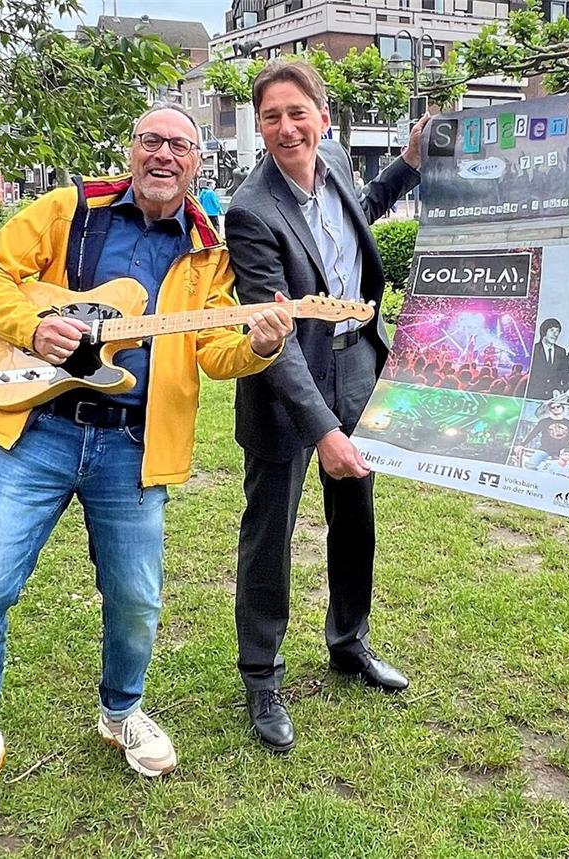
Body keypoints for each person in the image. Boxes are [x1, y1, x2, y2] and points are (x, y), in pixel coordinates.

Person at [0, 104, 293, 853]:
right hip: (38, 432)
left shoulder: (209, 250)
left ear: (197, 162)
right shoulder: (71, 208)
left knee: (136, 601)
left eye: (180, 146)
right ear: (133, 150)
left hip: (132, 449)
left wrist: (260, 344)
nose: (164, 154)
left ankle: (121, 711)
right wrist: (33, 327)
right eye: (151, 140)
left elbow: (214, 351)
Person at [224, 59, 429, 754]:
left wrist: (408, 164)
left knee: (355, 514)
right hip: (286, 390)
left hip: (357, 363)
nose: (286, 128)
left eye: (297, 113)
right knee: (270, 533)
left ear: (323, 117)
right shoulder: (250, 211)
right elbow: (274, 338)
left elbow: (358, 214)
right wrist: (323, 432)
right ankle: (262, 674)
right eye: (271, 117)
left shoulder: (334, 161)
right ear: (259, 125)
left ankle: (349, 641)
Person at [528, 317, 569, 400]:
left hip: (552, 398)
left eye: (557, 331)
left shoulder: (561, 351)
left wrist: (557, 389)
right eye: (552, 330)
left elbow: (562, 373)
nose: (555, 334)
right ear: (544, 331)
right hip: (533, 396)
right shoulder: (533, 349)